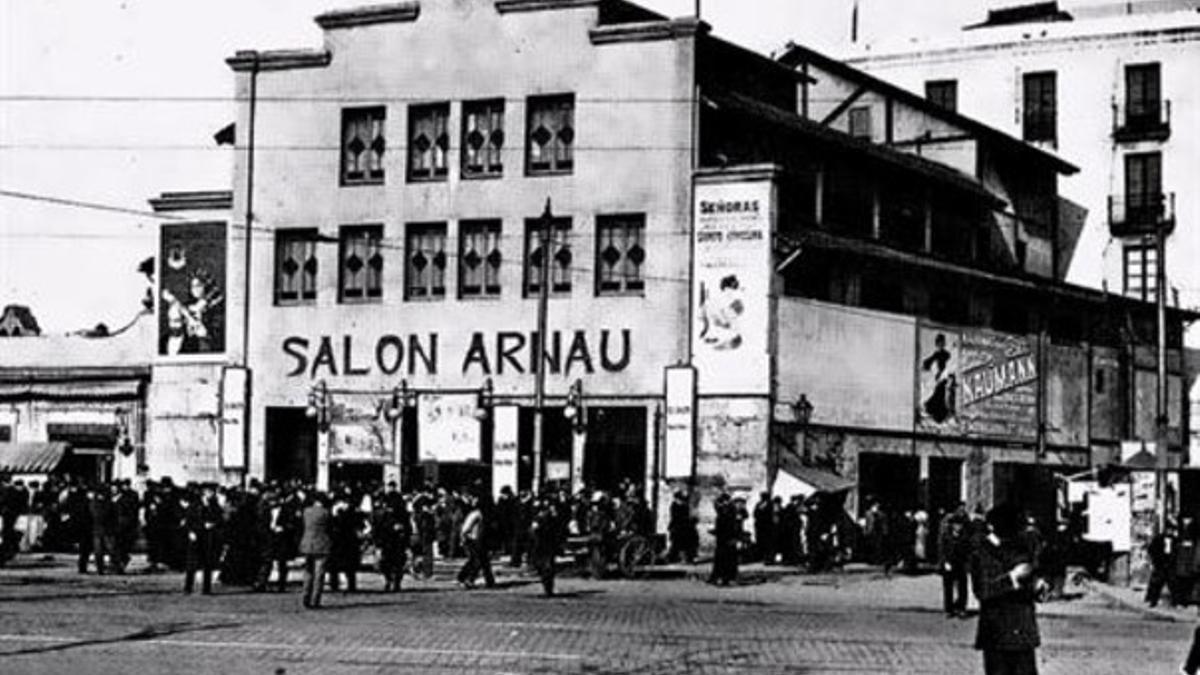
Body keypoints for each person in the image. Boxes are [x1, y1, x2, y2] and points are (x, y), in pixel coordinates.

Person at [971, 503, 1042, 675]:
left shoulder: (1019, 549)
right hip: (997, 634)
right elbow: (983, 590)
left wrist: (1037, 587)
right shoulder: (981, 553)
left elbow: (1029, 582)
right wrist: (1012, 578)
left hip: (1022, 633)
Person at [299, 492, 332, 609]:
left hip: (308, 543)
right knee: (319, 574)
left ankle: (305, 597)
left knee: (308, 572)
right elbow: (330, 527)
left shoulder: (306, 512)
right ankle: (315, 600)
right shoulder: (326, 513)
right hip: (321, 544)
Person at [939, 502, 971, 618]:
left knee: (962, 587)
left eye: (960, 525)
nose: (958, 527)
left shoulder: (964, 537)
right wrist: (945, 562)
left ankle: (961, 608)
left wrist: (967, 563)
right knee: (948, 587)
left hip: (961, 564)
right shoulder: (946, 536)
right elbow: (942, 550)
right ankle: (949, 609)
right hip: (949, 563)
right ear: (952, 525)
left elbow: (968, 551)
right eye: (956, 525)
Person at [457, 494, 495, 589]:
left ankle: (467, 578)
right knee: (478, 561)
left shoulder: (477, 513)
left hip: (477, 539)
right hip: (476, 539)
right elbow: (466, 528)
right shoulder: (479, 514)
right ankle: (468, 579)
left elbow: (466, 528)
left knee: (481, 561)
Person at [529, 496, 562, 596]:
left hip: (545, 545)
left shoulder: (551, 518)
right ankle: (548, 587)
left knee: (547, 567)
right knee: (545, 567)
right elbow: (533, 531)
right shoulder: (540, 519)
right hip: (542, 545)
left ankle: (548, 588)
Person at [1147, 520, 1180, 608]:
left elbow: (1177, 552)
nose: (1170, 532)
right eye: (1168, 530)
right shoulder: (1159, 539)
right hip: (1160, 564)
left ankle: (1175, 602)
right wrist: (1155, 560)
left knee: (1173, 584)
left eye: (1171, 530)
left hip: (1170, 565)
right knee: (1157, 584)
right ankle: (1153, 601)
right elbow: (1151, 549)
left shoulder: (1175, 540)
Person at [666, 491, 697, 564]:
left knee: (687, 544)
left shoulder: (684, 506)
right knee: (675, 544)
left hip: (684, 528)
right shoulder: (674, 506)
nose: (681, 501)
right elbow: (676, 517)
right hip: (677, 528)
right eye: (680, 499)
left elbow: (686, 516)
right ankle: (672, 558)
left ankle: (688, 558)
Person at [753, 491, 776, 564]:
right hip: (766, 526)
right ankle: (767, 558)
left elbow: (755, 514)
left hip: (764, 526)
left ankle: (767, 558)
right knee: (767, 543)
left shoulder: (761, 504)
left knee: (767, 543)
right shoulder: (769, 504)